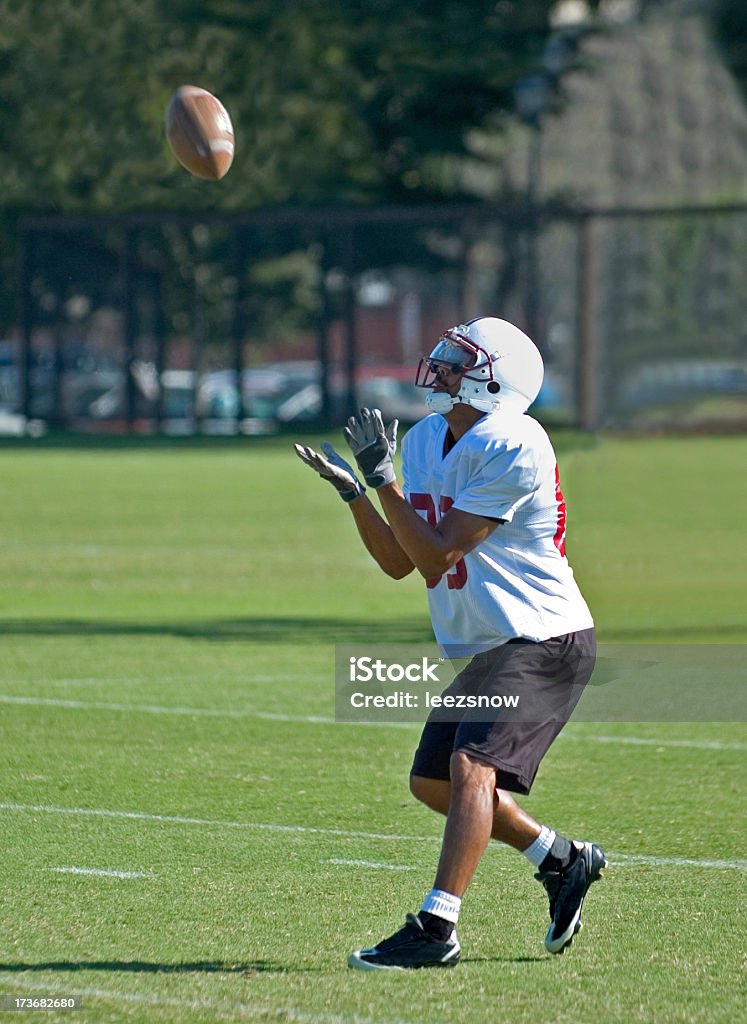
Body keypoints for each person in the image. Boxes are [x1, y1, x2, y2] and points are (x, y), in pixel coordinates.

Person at [294, 316, 606, 971]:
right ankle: (560, 859)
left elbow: (437, 559)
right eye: (440, 358)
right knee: (432, 783)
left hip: (543, 637)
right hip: (495, 644)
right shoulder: (429, 436)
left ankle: (436, 929)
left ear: (494, 381)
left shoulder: (514, 441)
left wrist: (383, 482)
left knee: (470, 768)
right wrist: (359, 494)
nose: (436, 370)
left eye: (454, 363)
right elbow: (400, 562)